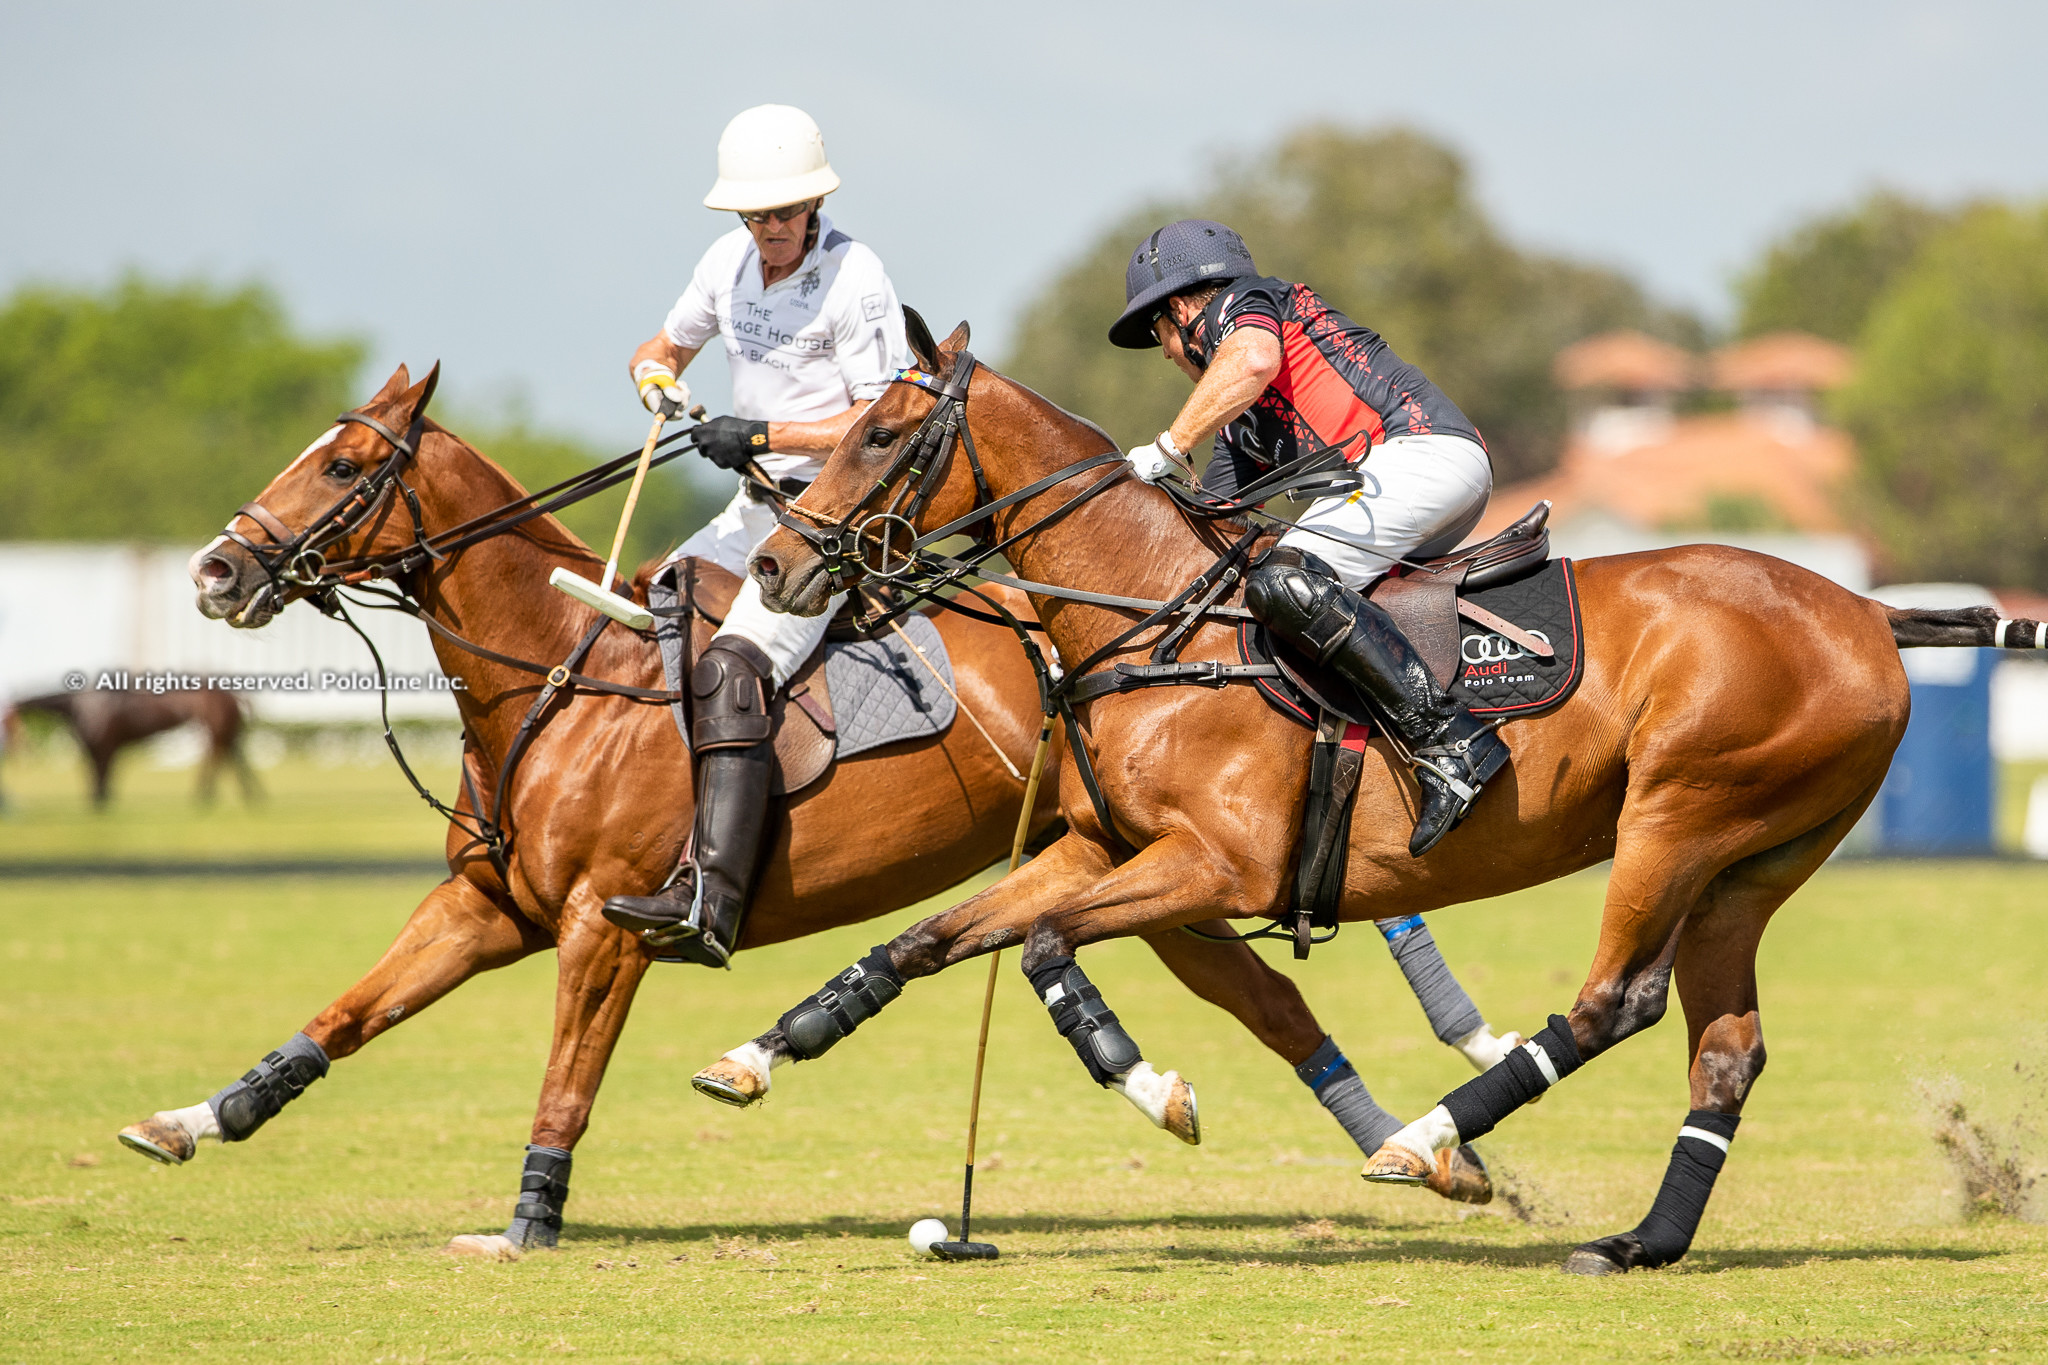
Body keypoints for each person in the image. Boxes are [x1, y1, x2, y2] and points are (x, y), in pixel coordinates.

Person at [601, 105, 907, 967]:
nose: (768, 230)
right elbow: (659, 345)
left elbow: (887, 418)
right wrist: (657, 379)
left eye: (782, 214)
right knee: (654, 607)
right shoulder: (726, 262)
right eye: (755, 216)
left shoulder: (857, 276)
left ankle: (710, 899)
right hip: (753, 507)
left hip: (834, 517)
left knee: (734, 663)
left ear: (812, 205)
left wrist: (766, 435)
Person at [1108, 219, 1505, 857]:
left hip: (1421, 454)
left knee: (1287, 577)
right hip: (1411, 480)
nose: (1167, 354)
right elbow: (1209, 525)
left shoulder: (1244, 304)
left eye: (1159, 334)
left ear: (1182, 309)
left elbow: (1254, 360)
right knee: (1254, 587)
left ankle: (1452, 742)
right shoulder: (1246, 430)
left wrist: (1168, 445)